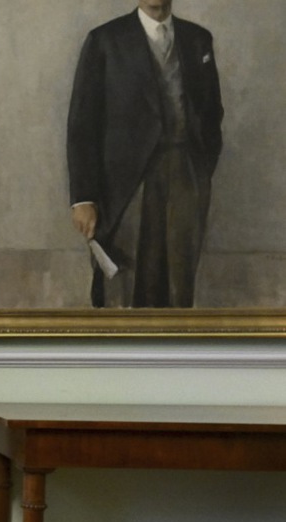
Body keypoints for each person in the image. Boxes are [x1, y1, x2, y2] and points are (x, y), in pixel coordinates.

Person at [67, 0, 222, 308]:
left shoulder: (198, 39)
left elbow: (211, 113)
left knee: (179, 284)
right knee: (128, 284)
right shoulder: (105, 40)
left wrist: (199, 171)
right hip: (127, 184)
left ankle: (175, 352)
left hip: (185, 177)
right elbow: (83, 124)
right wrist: (83, 197)